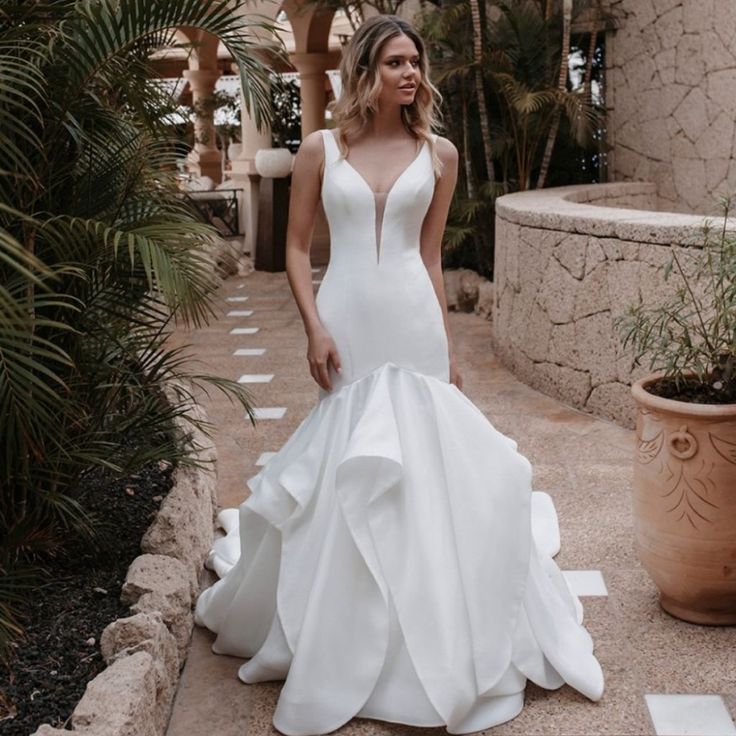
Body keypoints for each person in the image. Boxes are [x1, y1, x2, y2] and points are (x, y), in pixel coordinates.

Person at [193, 13, 604, 736]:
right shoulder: (321, 149)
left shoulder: (440, 154)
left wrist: (447, 349)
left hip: (411, 320)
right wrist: (314, 326)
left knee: (425, 462)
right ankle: (343, 625)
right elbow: (294, 250)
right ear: (365, 72)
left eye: (415, 62)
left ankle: (429, 626)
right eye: (394, 63)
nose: (410, 74)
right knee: (348, 461)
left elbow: (430, 256)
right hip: (347, 317)